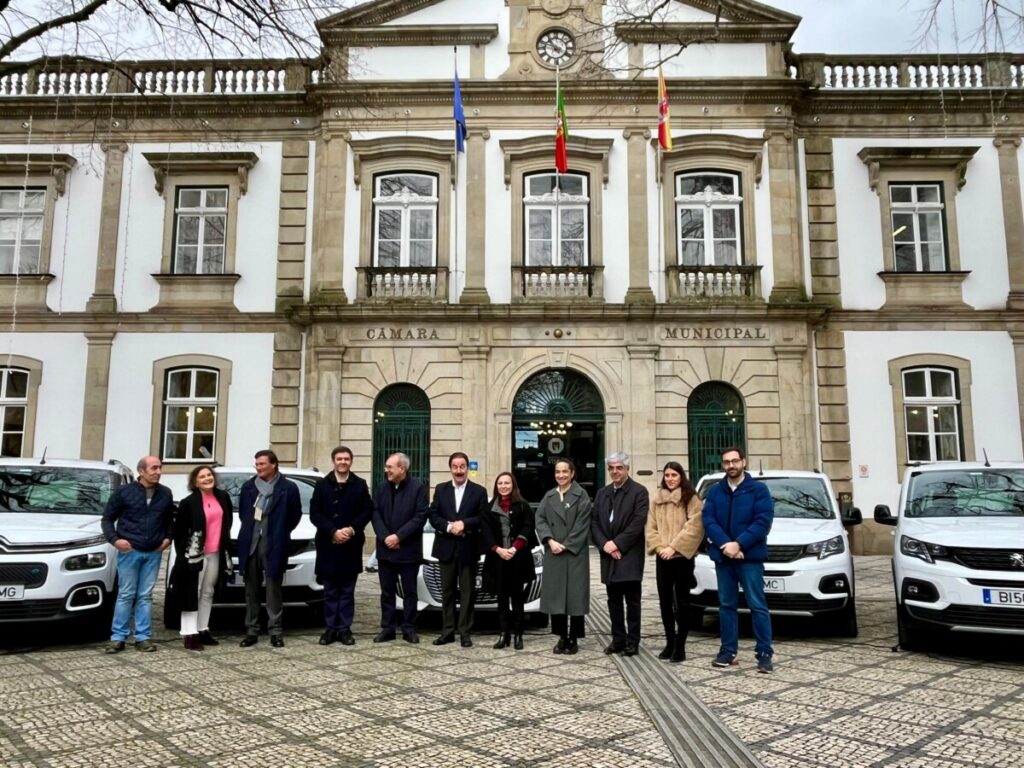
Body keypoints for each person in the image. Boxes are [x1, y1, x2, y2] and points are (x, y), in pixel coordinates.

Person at [702, 446, 775, 673]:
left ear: (743, 462)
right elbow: (708, 519)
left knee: (757, 605)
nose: (731, 465)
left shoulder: (758, 490)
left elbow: (762, 522)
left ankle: (764, 653)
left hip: (750, 557)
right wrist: (727, 545)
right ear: (723, 465)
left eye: (735, 461)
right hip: (724, 558)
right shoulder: (715, 491)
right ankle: (728, 650)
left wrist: (739, 544)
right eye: (726, 462)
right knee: (726, 605)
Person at [101, 456, 174, 653]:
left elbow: (169, 520)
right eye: (154, 468)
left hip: (153, 552)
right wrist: (115, 540)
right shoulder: (124, 492)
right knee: (126, 594)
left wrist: (168, 538)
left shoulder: (166, 494)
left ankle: (143, 637)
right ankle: (118, 637)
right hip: (130, 551)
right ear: (141, 471)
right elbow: (107, 519)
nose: (158, 471)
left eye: (160, 467)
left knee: (145, 596)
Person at [236, 449, 302, 648]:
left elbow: (295, 515)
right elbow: (243, 514)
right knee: (251, 589)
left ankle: (275, 630)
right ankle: (252, 629)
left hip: (274, 543)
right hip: (251, 542)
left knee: (274, 589)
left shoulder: (288, 487)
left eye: (262, 464)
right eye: (256, 464)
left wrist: (279, 530)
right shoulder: (249, 487)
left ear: (273, 464)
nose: (258, 468)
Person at [310, 446, 374, 646]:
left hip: (351, 545)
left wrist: (351, 529)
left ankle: (345, 629)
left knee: (347, 591)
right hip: (328, 545)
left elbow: (367, 511)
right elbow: (315, 513)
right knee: (330, 591)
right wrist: (333, 531)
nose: (343, 462)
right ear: (333, 461)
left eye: (346, 459)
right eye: (339, 459)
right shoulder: (321, 485)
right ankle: (330, 629)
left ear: (351, 461)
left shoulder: (360, 485)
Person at [169, 465, 234, 650]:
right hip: (195, 556)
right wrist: (185, 555)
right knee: (191, 593)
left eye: (209, 475)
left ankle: (203, 629)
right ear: (195, 482)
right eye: (202, 476)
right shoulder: (188, 502)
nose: (207, 478)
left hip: (216, 552)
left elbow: (227, 523)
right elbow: (179, 532)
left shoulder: (223, 497)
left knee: (208, 592)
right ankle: (189, 634)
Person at [591, 452, 649, 657]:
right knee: (613, 600)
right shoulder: (602, 493)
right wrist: (605, 544)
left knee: (632, 601)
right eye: (611, 468)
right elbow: (595, 522)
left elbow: (637, 523)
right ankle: (618, 639)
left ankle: (633, 641)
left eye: (619, 468)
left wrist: (617, 544)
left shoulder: (639, 492)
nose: (615, 471)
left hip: (629, 554)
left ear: (627, 469)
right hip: (609, 555)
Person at [646, 461, 703, 663]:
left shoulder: (691, 498)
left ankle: (681, 645)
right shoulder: (657, 499)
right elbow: (650, 527)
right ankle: (669, 641)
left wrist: (674, 547)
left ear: (681, 477)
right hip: (663, 558)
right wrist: (660, 548)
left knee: (683, 602)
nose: (670, 479)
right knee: (664, 602)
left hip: (682, 558)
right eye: (667, 475)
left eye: (674, 475)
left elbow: (694, 527)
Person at [428, 451, 488, 647]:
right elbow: (433, 515)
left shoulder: (479, 491)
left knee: (468, 592)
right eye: (455, 466)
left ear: (468, 468)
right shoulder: (441, 489)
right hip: (446, 547)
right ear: (450, 468)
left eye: (462, 466)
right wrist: (448, 526)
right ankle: (447, 631)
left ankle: (465, 632)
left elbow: (482, 517)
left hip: (468, 547)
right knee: (447, 592)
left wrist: (464, 524)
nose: (459, 470)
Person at [535, 458, 592, 655]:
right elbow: (540, 519)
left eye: (564, 472)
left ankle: (574, 638)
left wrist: (566, 544)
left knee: (575, 597)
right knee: (556, 596)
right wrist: (549, 540)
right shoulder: (549, 495)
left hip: (574, 554)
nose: (561, 475)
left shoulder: (581, 495)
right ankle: (561, 637)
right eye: (558, 472)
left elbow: (582, 524)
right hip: (554, 552)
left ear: (572, 473)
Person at [371, 452, 428, 644]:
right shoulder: (381, 487)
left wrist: (398, 536)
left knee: (410, 592)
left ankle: (409, 627)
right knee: (386, 592)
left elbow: (420, 517)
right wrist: (385, 536)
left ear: (402, 469)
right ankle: (387, 627)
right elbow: (375, 512)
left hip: (408, 551)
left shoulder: (418, 488)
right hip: (385, 550)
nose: (386, 470)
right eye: (387, 466)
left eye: (390, 467)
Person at [480, 471, 536, 650]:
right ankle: (503, 634)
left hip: (517, 558)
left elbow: (528, 528)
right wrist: (498, 549)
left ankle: (518, 634)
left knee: (517, 598)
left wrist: (514, 548)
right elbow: (486, 532)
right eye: (500, 483)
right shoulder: (489, 508)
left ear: (513, 485)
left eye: (507, 483)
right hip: (498, 559)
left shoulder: (523, 506)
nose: (503, 486)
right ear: (496, 487)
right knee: (502, 598)